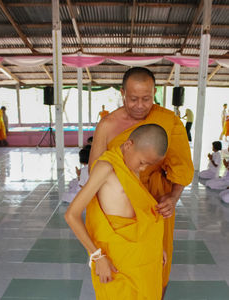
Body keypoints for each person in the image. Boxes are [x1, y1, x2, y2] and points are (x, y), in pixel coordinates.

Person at [88, 67, 194, 298]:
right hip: (119, 209)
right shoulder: (107, 125)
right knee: (119, 272)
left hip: (155, 203)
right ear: (122, 93)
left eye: (146, 99)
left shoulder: (167, 121)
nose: (140, 105)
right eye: (133, 98)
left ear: (154, 93)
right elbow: (94, 173)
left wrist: (173, 197)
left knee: (157, 267)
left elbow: (182, 166)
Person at [65, 124, 168, 299]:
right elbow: (71, 215)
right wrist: (97, 256)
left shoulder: (131, 167)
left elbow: (139, 210)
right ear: (128, 145)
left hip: (140, 252)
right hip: (115, 257)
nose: (142, 169)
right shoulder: (106, 168)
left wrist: (156, 245)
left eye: (148, 165)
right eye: (142, 162)